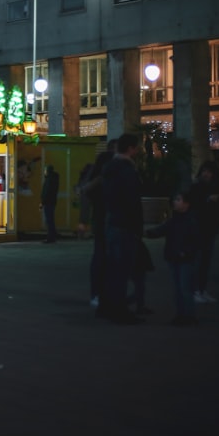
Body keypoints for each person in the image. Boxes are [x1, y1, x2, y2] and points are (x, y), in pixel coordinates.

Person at [100, 133, 145, 324]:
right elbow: (132, 200)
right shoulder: (127, 170)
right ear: (131, 149)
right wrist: (137, 226)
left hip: (112, 221)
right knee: (122, 270)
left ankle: (108, 307)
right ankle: (120, 310)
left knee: (113, 269)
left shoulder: (110, 167)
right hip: (124, 224)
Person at [145, 190, 200, 326]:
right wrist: (147, 233)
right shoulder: (175, 219)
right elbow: (161, 230)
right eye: (175, 199)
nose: (175, 202)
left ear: (186, 203)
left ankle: (188, 316)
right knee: (179, 288)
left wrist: (186, 252)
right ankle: (182, 315)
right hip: (175, 257)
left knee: (184, 288)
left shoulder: (190, 220)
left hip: (184, 258)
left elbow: (195, 240)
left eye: (178, 200)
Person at [82, 140, 116, 308]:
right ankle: (99, 293)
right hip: (104, 220)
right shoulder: (101, 179)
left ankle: (102, 293)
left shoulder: (104, 178)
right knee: (102, 256)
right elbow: (86, 193)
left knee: (104, 256)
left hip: (106, 220)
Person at [188, 160, 219, 304]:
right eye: (204, 171)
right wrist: (208, 199)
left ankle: (201, 290)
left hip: (210, 228)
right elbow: (193, 203)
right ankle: (195, 290)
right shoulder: (197, 187)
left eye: (208, 171)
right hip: (199, 227)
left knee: (205, 261)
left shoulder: (216, 187)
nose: (206, 174)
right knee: (198, 260)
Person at [40, 165, 60, 243]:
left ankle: (51, 237)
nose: (44, 172)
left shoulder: (49, 180)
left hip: (48, 202)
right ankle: (52, 235)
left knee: (49, 220)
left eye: (45, 170)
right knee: (50, 219)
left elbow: (46, 192)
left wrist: (42, 202)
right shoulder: (54, 179)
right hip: (51, 202)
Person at [74, 163, 93, 240]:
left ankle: (81, 233)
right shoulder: (89, 176)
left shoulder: (82, 176)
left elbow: (77, 187)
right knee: (85, 217)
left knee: (83, 217)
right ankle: (82, 233)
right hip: (88, 198)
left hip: (83, 198)